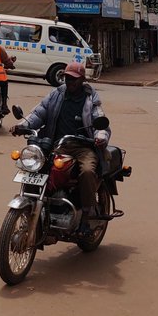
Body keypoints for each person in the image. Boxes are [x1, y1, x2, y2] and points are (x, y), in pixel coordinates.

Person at [12, 61, 111, 219]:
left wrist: (100, 137)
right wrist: (22, 125)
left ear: (82, 80)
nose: (70, 82)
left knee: (86, 171)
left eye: (74, 79)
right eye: (67, 78)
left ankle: (88, 212)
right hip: (57, 145)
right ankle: (38, 201)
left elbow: (100, 120)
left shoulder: (90, 99)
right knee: (36, 166)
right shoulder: (56, 94)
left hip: (83, 148)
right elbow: (39, 112)